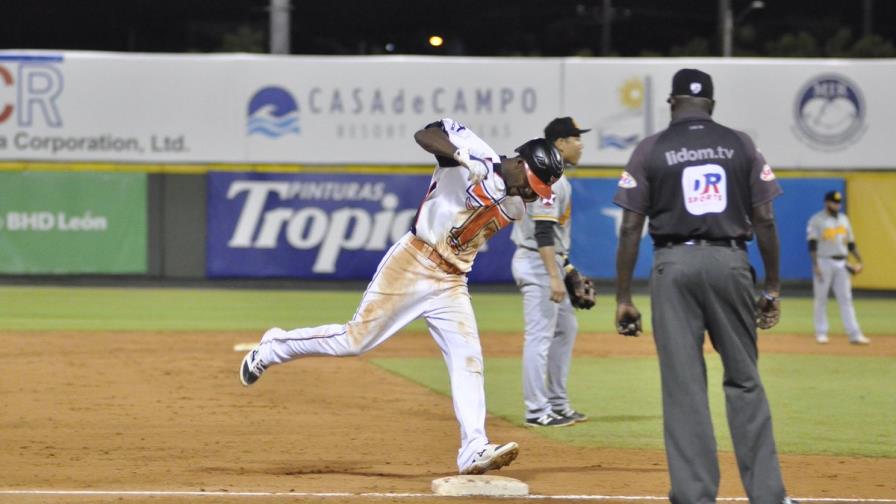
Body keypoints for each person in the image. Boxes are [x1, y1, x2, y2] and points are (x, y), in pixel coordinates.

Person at [239, 117, 564, 476]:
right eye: (532, 183)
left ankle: (473, 446)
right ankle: (273, 347)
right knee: (354, 341)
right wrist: (460, 156)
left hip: (452, 281)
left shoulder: (518, 204)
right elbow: (426, 134)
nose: (533, 194)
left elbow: (530, 224)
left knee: (468, 358)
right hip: (414, 260)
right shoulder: (477, 156)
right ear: (520, 162)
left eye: (540, 190)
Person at [613, 69, 797, 504]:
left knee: (684, 387)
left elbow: (629, 228)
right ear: (711, 105)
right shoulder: (741, 145)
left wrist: (623, 297)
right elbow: (766, 220)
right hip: (730, 260)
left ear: (672, 103)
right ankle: (769, 495)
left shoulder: (649, 149)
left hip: (672, 266)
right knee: (745, 380)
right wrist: (771, 286)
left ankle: (695, 495)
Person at [510, 117, 590, 428]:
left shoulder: (555, 177)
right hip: (536, 262)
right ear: (558, 144)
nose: (580, 143)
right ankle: (536, 410)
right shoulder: (551, 179)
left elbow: (553, 238)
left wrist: (566, 269)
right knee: (539, 338)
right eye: (574, 138)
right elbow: (544, 231)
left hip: (547, 261)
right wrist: (554, 276)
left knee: (565, 328)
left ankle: (557, 403)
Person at [807, 190, 869, 345]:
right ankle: (821, 332)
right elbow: (812, 244)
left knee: (846, 299)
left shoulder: (844, 219)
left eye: (838, 202)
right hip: (824, 261)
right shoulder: (817, 220)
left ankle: (854, 334)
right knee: (821, 298)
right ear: (826, 202)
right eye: (834, 202)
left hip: (842, 262)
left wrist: (860, 260)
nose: (837, 204)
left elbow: (851, 243)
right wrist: (815, 265)